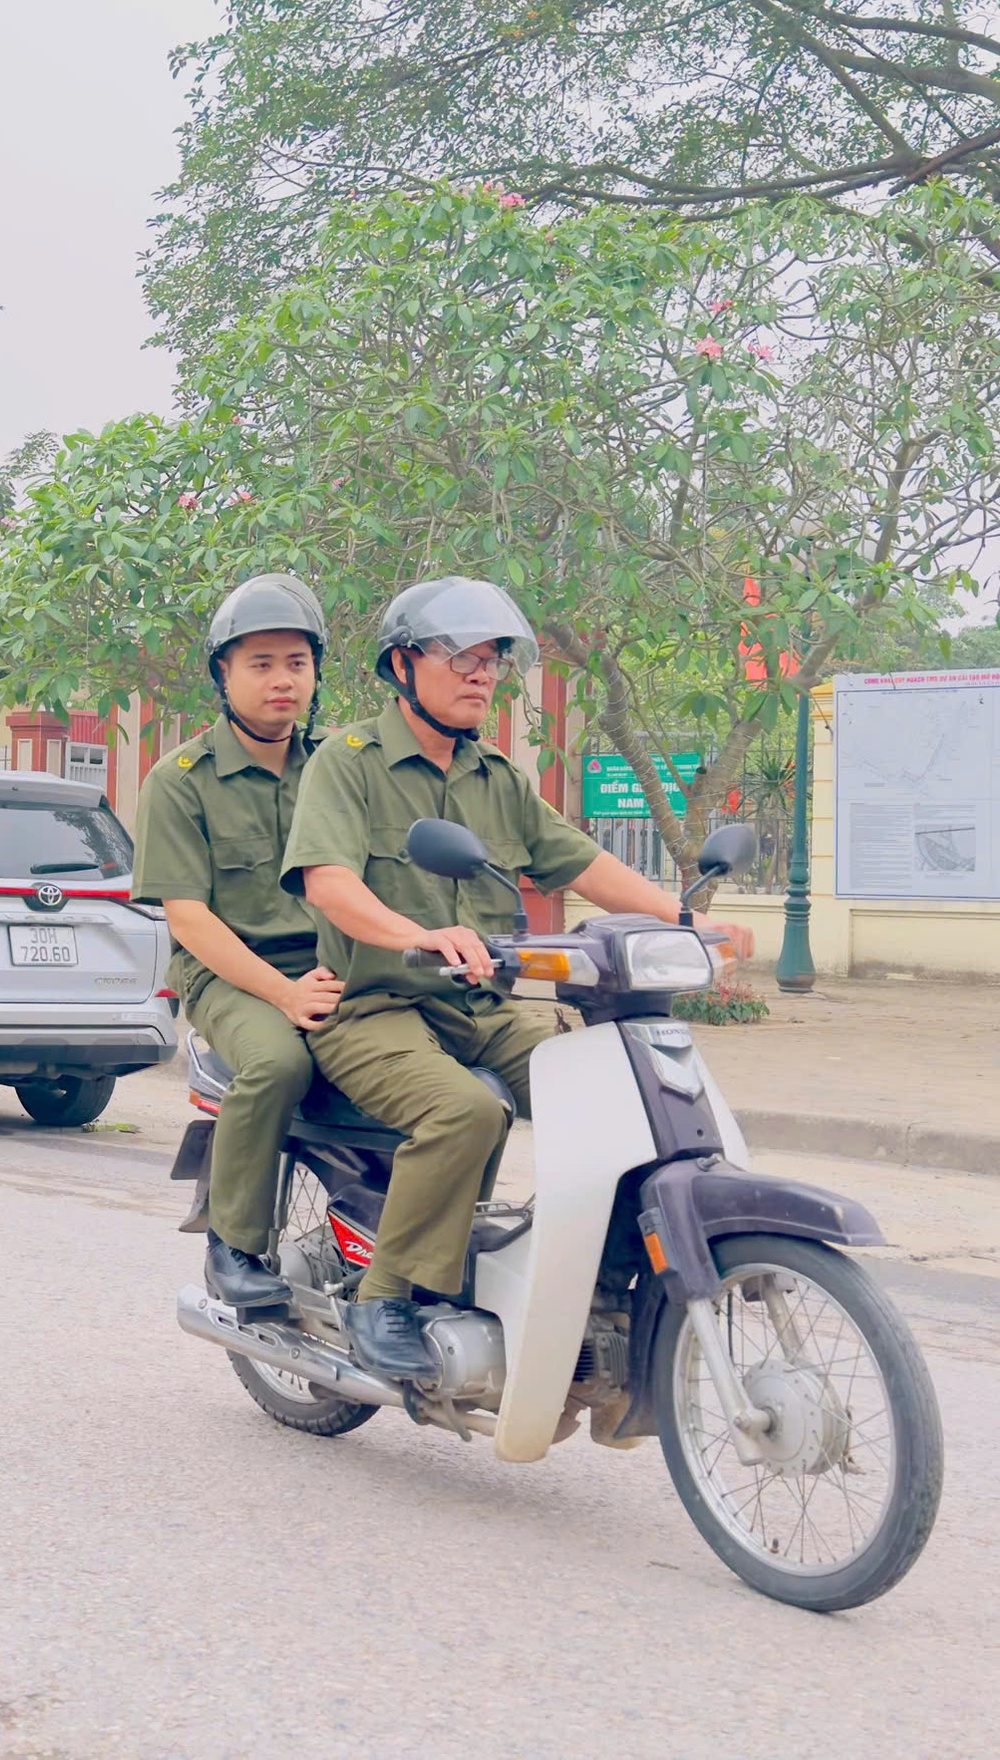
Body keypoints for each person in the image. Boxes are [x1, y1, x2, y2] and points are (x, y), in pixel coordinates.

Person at [278, 577, 755, 1384]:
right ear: (402, 665)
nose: (480, 673)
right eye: (458, 655)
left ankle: (596, 1282)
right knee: (466, 1109)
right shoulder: (346, 763)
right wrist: (416, 933)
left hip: (480, 1004)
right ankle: (383, 1296)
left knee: (611, 1094)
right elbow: (328, 882)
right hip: (374, 1007)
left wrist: (685, 921)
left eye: (493, 659)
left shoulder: (494, 777)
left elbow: (584, 862)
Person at [132, 575, 338, 1316]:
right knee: (279, 1061)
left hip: (336, 968)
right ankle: (234, 1240)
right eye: (260, 663)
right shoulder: (181, 782)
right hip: (233, 978)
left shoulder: (337, 769)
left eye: (296, 662)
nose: (282, 680)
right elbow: (188, 920)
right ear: (224, 674)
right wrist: (284, 994)